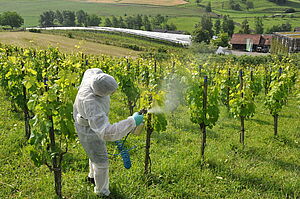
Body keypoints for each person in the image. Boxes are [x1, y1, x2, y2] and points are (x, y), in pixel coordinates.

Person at [73, 68, 143, 196]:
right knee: (101, 161)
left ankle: (91, 177)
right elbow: (106, 133)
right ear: (100, 93)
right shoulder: (90, 103)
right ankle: (102, 192)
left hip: (86, 119)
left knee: (93, 151)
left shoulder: (94, 75)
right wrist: (132, 121)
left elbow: (90, 70)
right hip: (86, 126)